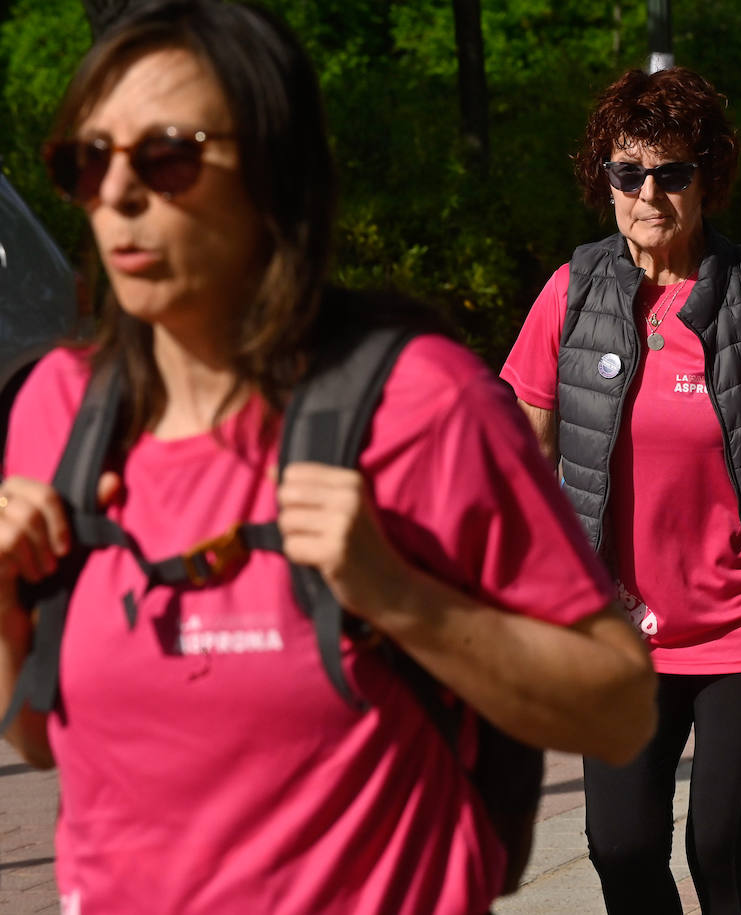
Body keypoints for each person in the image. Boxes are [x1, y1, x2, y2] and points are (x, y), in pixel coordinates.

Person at [0, 3, 656, 913]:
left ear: (275, 174)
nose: (117, 194)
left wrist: (394, 591)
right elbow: (42, 735)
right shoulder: (61, 409)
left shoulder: (415, 403)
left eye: (167, 158)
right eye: (87, 161)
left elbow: (620, 702)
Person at [501, 66, 741, 914]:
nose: (648, 194)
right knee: (623, 849)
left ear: (708, 177)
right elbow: (521, 446)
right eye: (627, 173)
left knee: (721, 846)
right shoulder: (574, 291)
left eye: (672, 173)